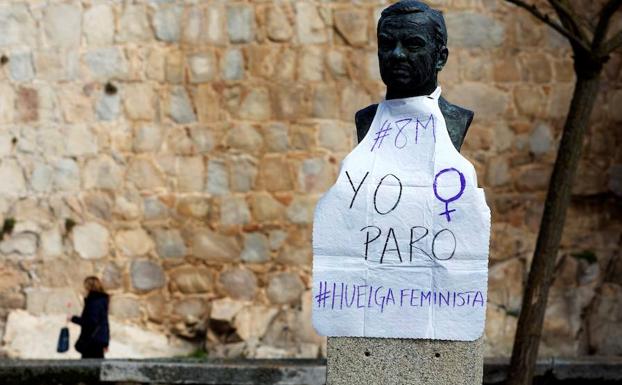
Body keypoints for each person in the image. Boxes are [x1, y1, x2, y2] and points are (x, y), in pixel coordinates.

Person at [69, 276, 110, 358]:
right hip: (99, 340)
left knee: (88, 368)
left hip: (92, 341)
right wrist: (105, 342)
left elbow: (90, 322)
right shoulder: (101, 301)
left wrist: (73, 319)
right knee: (96, 366)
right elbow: (104, 323)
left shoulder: (93, 302)